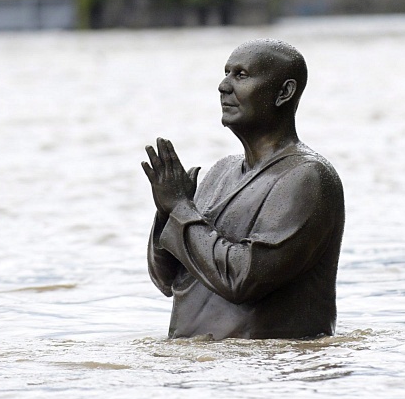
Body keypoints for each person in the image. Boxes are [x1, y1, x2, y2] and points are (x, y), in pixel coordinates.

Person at [143, 39, 345, 340]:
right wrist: (166, 212)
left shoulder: (308, 178)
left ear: (284, 92)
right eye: (226, 73)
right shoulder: (220, 173)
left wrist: (181, 210)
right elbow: (167, 280)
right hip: (199, 372)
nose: (223, 86)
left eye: (241, 75)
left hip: (267, 375)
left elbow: (240, 280)